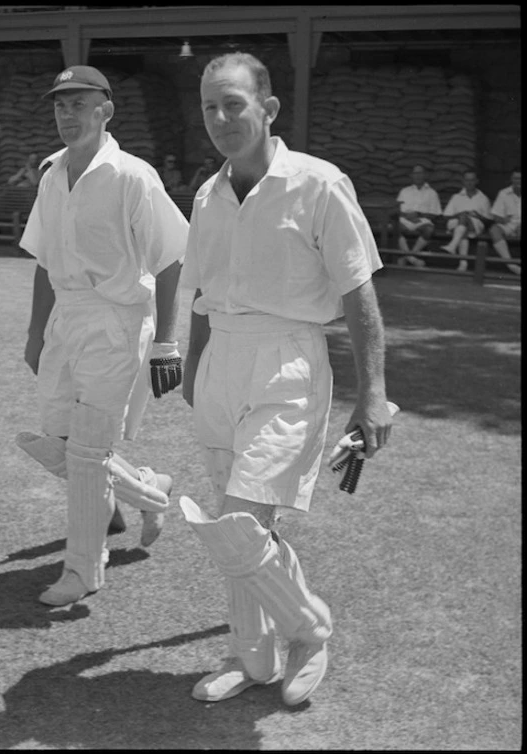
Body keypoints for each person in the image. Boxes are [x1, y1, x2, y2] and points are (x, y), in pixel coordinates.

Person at [179, 52, 394, 708]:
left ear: (268, 110)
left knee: (239, 526)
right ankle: (255, 655)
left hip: (288, 363)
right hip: (221, 366)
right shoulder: (207, 195)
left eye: (234, 104)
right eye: (210, 107)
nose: (220, 119)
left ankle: (310, 630)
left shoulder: (319, 184)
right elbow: (204, 296)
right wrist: (194, 372)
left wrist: (374, 395)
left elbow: (359, 296)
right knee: (236, 525)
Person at [16, 65, 189, 607]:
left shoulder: (133, 176)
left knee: (89, 452)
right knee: (62, 443)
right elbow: (45, 260)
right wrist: (34, 332)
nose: (67, 115)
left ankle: (84, 570)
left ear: (105, 111)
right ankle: (150, 490)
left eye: (79, 104)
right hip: (65, 320)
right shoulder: (50, 174)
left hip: (117, 321)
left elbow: (171, 257)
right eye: (60, 105)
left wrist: (166, 342)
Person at [440, 169, 492, 272]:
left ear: (477, 181)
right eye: (467, 180)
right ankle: (462, 262)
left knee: (464, 222)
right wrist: (460, 214)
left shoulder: (483, 198)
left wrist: (478, 215)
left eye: (472, 180)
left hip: (475, 225)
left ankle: (454, 247)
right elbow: (446, 216)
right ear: (463, 181)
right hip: (456, 224)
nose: (469, 183)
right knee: (463, 224)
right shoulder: (456, 197)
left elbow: (489, 220)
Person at [395, 165, 441, 268]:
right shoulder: (405, 191)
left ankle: (408, 256)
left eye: (420, 173)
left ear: (425, 175)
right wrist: (407, 216)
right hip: (405, 220)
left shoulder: (432, 193)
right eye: (415, 173)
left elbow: (435, 214)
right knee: (395, 227)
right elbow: (397, 210)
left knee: (429, 230)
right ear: (411, 175)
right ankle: (413, 259)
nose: (418, 176)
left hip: (422, 220)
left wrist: (419, 214)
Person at [489, 167, 521, 276]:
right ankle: (510, 264)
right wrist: (503, 219)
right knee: (494, 229)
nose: (518, 181)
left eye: (520, 179)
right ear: (511, 179)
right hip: (508, 225)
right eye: (516, 178)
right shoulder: (503, 193)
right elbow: (496, 217)